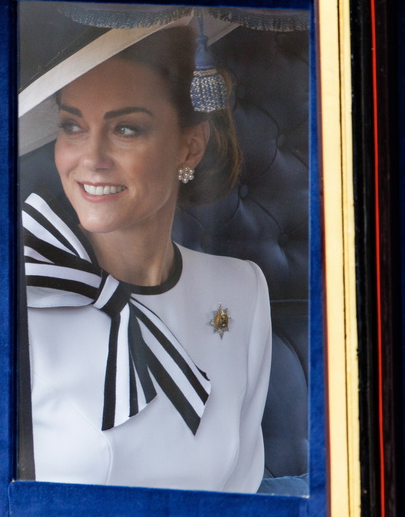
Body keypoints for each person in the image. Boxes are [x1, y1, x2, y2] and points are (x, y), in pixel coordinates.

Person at [20, 25, 272, 493]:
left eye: (125, 129)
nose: (91, 158)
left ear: (189, 146)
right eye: (73, 126)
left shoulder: (242, 290)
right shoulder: (21, 292)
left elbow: (241, 492)